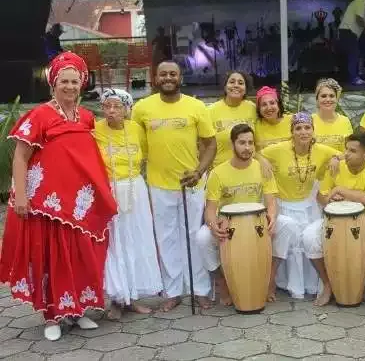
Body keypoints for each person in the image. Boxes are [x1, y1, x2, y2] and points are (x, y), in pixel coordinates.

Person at [0, 52, 117, 341]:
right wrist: (22, 197)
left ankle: (76, 311)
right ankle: (52, 315)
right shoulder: (39, 115)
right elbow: (20, 158)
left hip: (79, 207)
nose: (69, 86)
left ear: (82, 84)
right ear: (53, 83)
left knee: (78, 256)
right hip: (46, 206)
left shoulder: (88, 117)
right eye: (63, 81)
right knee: (51, 258)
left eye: (74, 81)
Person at [132, 60, 217, 312]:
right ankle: (173, 291)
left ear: (180, 78)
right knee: (167, 238)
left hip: (191, 183)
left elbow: (210, 144)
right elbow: (138, 147)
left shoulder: (197, 106)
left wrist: (199, 171)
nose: (168, 77)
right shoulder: (141, 108)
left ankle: (200, 290)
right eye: (163, 74)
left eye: (173, 74)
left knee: (194, 236)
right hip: (159, 184)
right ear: (155, 78)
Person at [195, 124, 296, 305]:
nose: (247, 147)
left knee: (287, 225)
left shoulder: (262, 168)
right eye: (242, 143)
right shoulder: (218, 173)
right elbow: (210, 210)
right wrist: (212, 226)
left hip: (256, 222)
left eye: (250, 143)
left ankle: (269, 278)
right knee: (202, 238)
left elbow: (271, 201)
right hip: (229, 224)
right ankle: (223, 283)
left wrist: (272, 217)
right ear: (232, 144)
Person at [95, 89, 163, 320]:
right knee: (115, 243)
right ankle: (116, 298)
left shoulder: (136, 130)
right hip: (109, 191)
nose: (112, 111)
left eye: (117, 106)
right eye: (107, 106)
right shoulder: (94, 131)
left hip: (136, 190)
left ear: (127, 109)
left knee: (136, 240)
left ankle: (132, 298)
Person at [259, 112, 340, 298]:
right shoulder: (279, 149)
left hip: (309, 205)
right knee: (292, 240)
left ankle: (312, 285)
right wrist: (262, 159)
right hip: (284, 205)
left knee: (309, 241)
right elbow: (256, 153)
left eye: (307, 127)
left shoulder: (321, 149)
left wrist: (336, 158)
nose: (303, 132)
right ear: (292, 132)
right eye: (298, 128)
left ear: (313, 130)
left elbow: (344, 153)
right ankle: (285, 284)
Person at [302, 131, 365, 306]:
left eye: (352, 151)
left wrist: (341, 190)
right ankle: (328, 284)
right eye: (346, 149)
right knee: (309, 238)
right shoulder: (337, 166)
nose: (346, 153)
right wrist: (330, 200)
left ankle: (360, 281)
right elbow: (321, 196)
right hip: (332, 222)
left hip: (364, 222)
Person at [208, 70, 257, 168]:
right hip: (220, 170)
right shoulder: (210, 111)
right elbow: (205, 145)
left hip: (249, 169)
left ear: (246, 89)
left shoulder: (253, 108)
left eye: (240, 83)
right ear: (225, 87)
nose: (236, 85)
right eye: (232, 82)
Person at [312, 78, 353, 152]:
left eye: (331, 96)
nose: (328, 99)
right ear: (317, 100)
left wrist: (337, 159)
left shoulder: (345, 121)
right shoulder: (309, 121)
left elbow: (350, 150)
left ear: (336, 99)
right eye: (323, 96)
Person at [254, 86, 293, 151]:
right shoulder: (255, 126)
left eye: (272, 103)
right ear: (259, 109)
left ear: (278, 105)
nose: (269, 108)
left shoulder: (292, 121)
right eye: (264, 104)